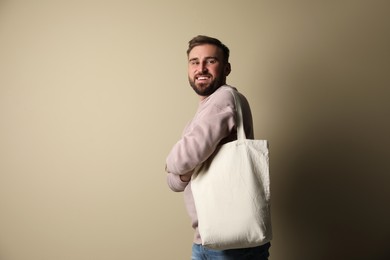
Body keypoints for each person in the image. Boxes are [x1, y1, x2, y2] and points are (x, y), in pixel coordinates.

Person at [165, 35, 271, 259]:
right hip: (211, 240)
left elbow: (181, 160)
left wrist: (173, 164)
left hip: (228, 244)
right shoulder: (208, 107)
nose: (200, 68)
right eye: (194, 62)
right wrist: (181, 171)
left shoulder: (223, 98)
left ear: (226, 68)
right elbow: (175, 182)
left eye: (210, 61)